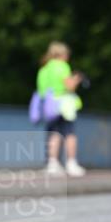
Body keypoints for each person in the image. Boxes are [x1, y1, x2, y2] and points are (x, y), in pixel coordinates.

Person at [36, 41, 86, 177]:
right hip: (64, 104)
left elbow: (41, 90)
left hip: (49, 104)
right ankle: (71, 163)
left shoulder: (44, 69)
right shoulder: (62, 66)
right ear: (62, 54)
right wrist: (76, 79)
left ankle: (52, 164)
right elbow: (69, 86)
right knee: (69, 133)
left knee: (54, 132)